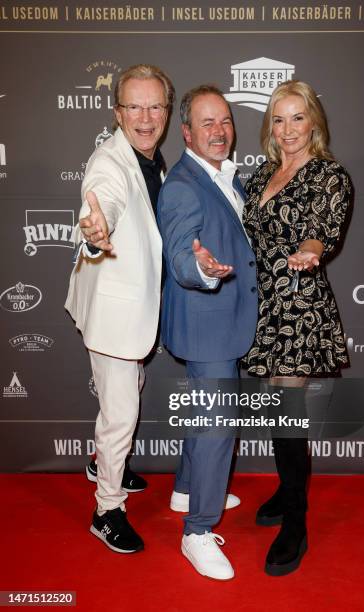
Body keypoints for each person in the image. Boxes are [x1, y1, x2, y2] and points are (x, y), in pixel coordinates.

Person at [242, 80, 351, 576]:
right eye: (278, 119)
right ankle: (288, 492)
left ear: (314, 122)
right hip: (261, 306)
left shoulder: (330, 176)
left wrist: (310, 250)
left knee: (286, 413)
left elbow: (319, 232)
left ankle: (296, 524)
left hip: (299, 306)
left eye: (297, 118)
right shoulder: (261, 173)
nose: (287, 130)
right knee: (276, 411)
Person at [65, 64, 174, 554]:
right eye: (134, 106)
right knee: (121, 413)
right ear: (117, 112)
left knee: (128, 392)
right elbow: (102, 204)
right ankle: (107, 508)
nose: (146, 117)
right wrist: (95, 233)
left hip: (131, 305)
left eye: (155, 106)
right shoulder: (110, 162)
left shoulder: (153, 158)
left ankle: (103, 462)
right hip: (114, 310)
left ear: (167, 112)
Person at [157, 85, 258, 580]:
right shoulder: (182, 186)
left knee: (205, 416)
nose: (219, 132)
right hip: (206, 323)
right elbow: (180, 255)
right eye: (207, 124)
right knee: (218, 425)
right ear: (187, 133)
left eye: (225, 121)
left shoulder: (224, 177)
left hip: (224, 322)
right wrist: (203, 270)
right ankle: (198, 530)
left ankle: (185, 490)